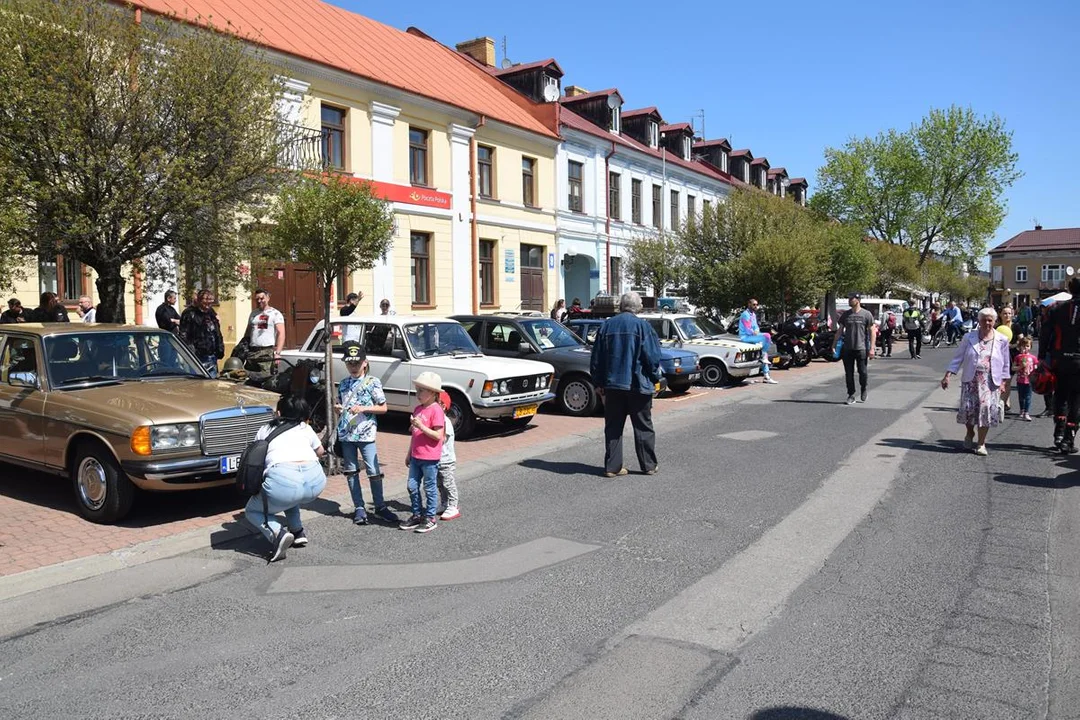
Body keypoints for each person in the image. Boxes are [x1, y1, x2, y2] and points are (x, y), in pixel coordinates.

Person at [244, 395, 327, 562]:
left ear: (279, 413)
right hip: (316, 482)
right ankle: (297, 532)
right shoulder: (305, 427)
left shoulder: (265, 429)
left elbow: (256, 456)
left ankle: (277, 532)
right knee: (292, 494)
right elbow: (321, 452)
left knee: (252, 510)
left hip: (284, 481)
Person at [589, 291, 663, 477]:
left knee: (613, 426)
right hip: (638, 385)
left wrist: (598, 382)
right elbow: (652, 358)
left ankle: (612, 467)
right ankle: (648, 465)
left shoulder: (607, 326)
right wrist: (656, 379)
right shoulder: (643, 327)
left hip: (613, 386)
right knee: (643, 426)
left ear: (621, 306)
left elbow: (596, 358)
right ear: (637, 307)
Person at [335, 341, 396, 526]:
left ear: (365, 363)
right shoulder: (343, 383)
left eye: (356, 363)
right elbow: (340, 404)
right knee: (351, 472)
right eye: (349, 363)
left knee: (373, 471)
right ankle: (359, 507)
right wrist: (338, 408)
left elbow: (383, 407)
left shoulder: (372, 382)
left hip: (366, 434)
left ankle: (380, 506)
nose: (353, 367)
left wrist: (363, 408)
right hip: (347, 434)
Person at [941, 308, 1010, 456]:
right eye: (984, 319)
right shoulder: (969, 337)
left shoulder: (1001, 340)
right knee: (968, 410)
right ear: (978, 321)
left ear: (995, 321)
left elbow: (1005, 363)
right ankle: (970, 432)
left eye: (990, 320)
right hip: (971, 380)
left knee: (985, 410)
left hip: (990, 381)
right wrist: (948, 375)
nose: (987, 323)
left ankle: (981, 443)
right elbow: (958, 358)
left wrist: (1004, 382)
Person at [400, 371, 445, 534]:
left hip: (430, 457)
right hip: (416, 455)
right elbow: (415, 434)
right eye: (417, 390)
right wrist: (409, 453)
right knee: (411, 486)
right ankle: (417, 514)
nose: (417, 394)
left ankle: (430, 517)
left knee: (429, 487)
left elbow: (438, 435)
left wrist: (422, 427)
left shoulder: (436, 410)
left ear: (433, 393)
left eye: (421, 390)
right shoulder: (418, 408)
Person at [1040, 277, 1080, 452]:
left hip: (1061, 359)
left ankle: (1059, 434)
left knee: (1061, 396)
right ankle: (1068, 440)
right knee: (1077, 400)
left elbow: (1045, 333)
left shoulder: (1055, 308)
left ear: (1070, 290)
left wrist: (1041, 356)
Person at [838, 292, 875, 404]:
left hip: (861, 348)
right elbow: (840, 330)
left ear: (858, 300)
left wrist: (872, 348)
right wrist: (834, 344)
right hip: (848, 348)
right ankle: (851, 394)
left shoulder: (866, 314)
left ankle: (863, 388)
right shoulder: (846, 315)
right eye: (849, 298)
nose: (849, 300)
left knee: (862, 372)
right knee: (849, 373)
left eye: (851, 298)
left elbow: (872, 331)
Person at [179, 289, 225, 378]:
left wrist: (220, 347)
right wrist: (191, 352)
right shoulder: (189, 313)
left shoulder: (211, 313)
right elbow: (183, 335)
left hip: (211, 355)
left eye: (210, 302)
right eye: (206, 302)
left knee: (212, 382)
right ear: (199, 300)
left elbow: (216, 331)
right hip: (197, 356)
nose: (208, 305)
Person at [244, 288, 285, 374]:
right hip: (252, 351)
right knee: (249, 377)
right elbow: (248, 332)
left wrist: (278, 353)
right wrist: (244, 347)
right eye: (257, 299)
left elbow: (281, 333)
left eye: (262, 298)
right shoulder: (253, 314)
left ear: (268, 298)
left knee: (265, 377)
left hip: (266, 352)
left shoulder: (275, 313)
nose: (259, 301)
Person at [738, 298, 778, 384]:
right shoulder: (745, 314)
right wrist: (755, 332)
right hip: (746, 337)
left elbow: (756, 326)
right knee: (767, 336)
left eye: (757, 305)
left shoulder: (753, 314)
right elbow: (747, 329)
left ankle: (766, 376)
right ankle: (763, 355)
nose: (756, 306)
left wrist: (756, 331)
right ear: (749, 304)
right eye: (754, 304)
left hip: (753, 336)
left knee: (764, 352)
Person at [436, 390, 461, 521]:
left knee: (448, 483)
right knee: (439, 483)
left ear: (442, 406)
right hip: (436, 460)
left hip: (446, 460)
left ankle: (453, 505)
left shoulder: (445, 421)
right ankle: (444, 502)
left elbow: (442, 439)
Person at [997, 305, 1017, 414]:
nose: (1007, 315)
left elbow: (1022, 341)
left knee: (1007, 380)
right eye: (1005, 313)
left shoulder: (1016, 326)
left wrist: (1012, 345)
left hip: (1011, 356)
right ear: (1000, 315)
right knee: (999, 380)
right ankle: (1004, 400)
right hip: (998, 356)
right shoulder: (997, 327)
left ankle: (1004, 402)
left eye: (1009, 313)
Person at [1013, 336, 1037, 422]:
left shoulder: (1033, 358)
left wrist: (1035, 376)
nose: (1025, 348)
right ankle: (1022, 410)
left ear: (1030, 347)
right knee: (1021, 396)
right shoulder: (1018, 357)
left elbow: (1035, 368)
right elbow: (1013, 368)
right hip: (1020, 380)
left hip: (1029, 380)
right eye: (1023, 346)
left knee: (1028, 397)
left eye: (1027, 346)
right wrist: (1020, 367)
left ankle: (1026, 412)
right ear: (1020, 347)